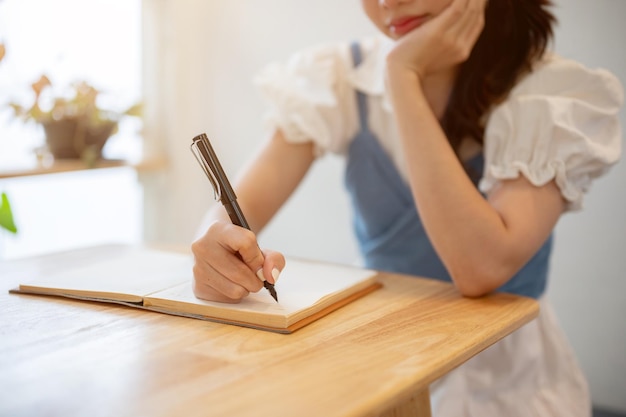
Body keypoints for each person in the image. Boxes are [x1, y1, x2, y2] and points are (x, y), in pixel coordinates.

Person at [191, 0, 623, 415]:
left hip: (508, 375)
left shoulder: (547, 92)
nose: (389, 1)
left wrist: (403, 75)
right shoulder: (340, 77)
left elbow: (480, 268)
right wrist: (213, 240)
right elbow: (237, 208)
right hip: (382, 356)